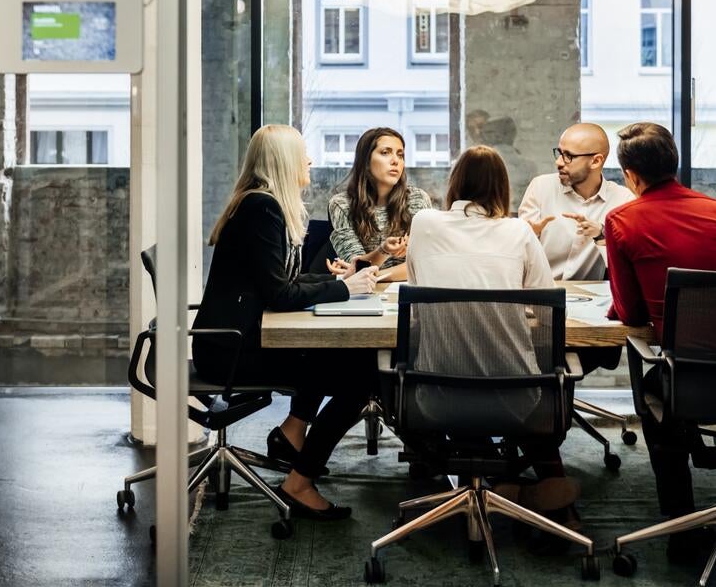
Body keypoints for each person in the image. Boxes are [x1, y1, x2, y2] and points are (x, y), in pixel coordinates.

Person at [192, 124, 380, 521]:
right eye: (302, 154)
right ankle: (299, 481)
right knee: (361, 376)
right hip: (231, 351)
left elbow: (281, 283)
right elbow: (280, 294)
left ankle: (293, 439)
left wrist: (338, 281)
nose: (309, 160)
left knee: (344, 363)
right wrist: (345, 290)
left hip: (236, 340)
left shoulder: (259, 204)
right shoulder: (262, 209)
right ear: (282, 161)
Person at [406, 147, 576, 532]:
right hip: (516, 395)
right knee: (516, 373)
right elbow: (547, 304)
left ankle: (483, 483)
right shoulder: (517, 230)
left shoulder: (424, 223)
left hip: (435, 395)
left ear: (455, 184)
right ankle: (531, 490)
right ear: (502, 188)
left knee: (400, 365)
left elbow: (418, 290)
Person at [604, 122, 716, 558]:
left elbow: (631, 315)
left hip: (688, 380)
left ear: (630, 175)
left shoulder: (623, 219)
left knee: (648, 387)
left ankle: (681, 522)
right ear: (675, 163)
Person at [518, 122, 634, 281]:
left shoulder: (623, 200)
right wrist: (527, 235)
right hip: (542, 293)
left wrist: (602, 234)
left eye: (568, 156)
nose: (558, 162)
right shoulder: (540, 187)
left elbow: (625, 268)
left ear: (596, 161)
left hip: (592, 298)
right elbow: (518, 258)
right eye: (559, 153)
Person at [327, 127, 432, 283]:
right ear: (366, 160)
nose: (396, 161)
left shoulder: (418, 200)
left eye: (400, 154)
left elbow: (424, 263)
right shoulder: (342, 204)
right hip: (363, 294)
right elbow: (357, 265)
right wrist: (383, 251)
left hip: (406, 293)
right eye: (385, 153)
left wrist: (372, 274)